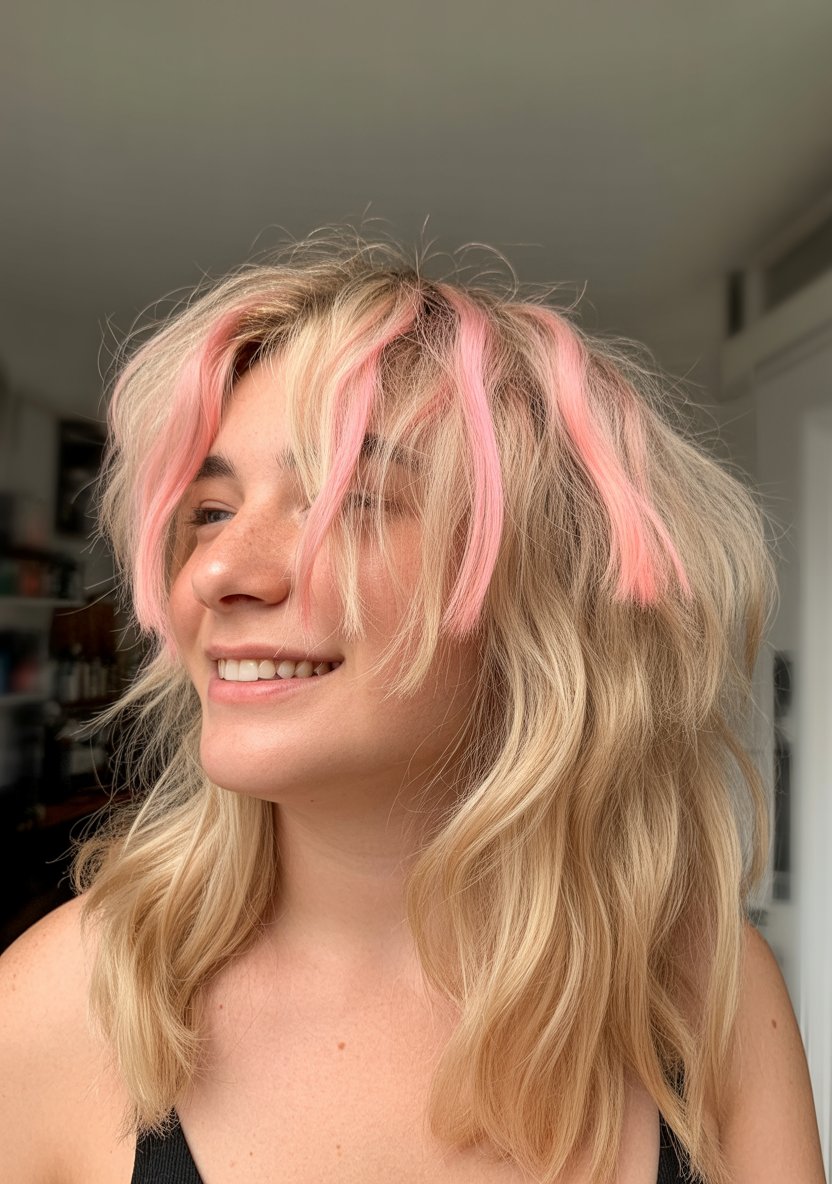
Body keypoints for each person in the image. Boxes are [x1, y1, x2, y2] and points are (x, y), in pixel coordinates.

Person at [0, 234, 825, 1184]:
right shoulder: (62, 1007)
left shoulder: (704, 991)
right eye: (213, 512)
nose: (218, 571)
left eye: (349, 500)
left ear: (542, 586)